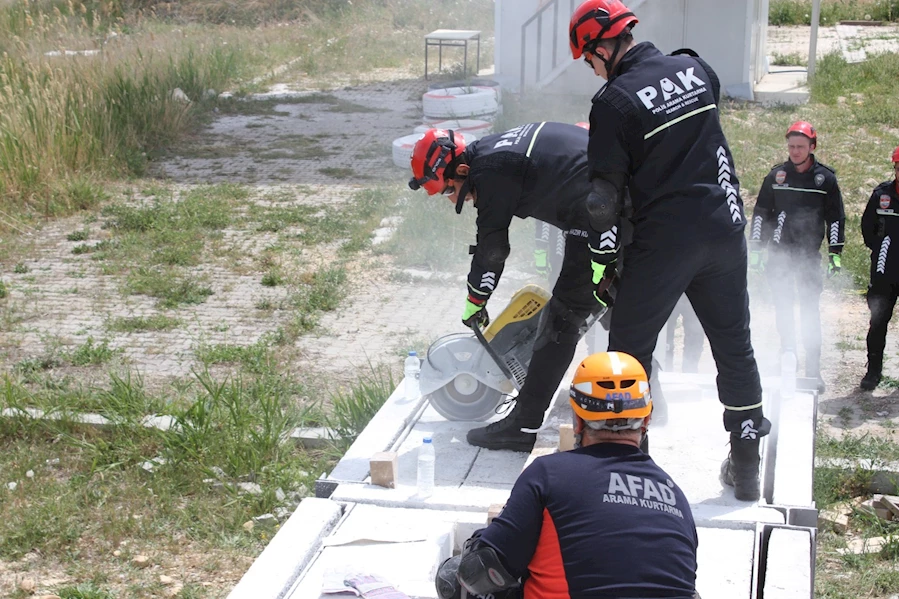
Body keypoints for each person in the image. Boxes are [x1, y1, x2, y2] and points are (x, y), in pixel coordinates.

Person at [568, 0, 769, 501]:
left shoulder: (612, 102)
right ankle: (746, 467)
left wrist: (600, 265)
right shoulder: (696, 67)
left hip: (665, 241)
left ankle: (627, 471)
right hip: (725, 227)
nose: (590, 70)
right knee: (734, 346)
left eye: (588, 59)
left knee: (627, 356)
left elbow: (602, 199)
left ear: (602, 45)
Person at [408, 124, 615, 452]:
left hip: (602, 214)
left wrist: (475, 300)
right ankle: (650, 396)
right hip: (614, 204)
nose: (451, 200)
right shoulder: (494, 149)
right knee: (613, 303)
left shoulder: (489, 172)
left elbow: (493, 250)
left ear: (462, 170)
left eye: (449, 190)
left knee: (562, 320)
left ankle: (522, 425)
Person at [435, 352, 699, 599]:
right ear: (646, 419)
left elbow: (481, 571)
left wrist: (480, 542)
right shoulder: (674, 494)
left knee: (459, 574)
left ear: (578, 420)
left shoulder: (549, 474)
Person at [749, 121, 845, 393]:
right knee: (783, 309)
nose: (795, 151)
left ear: (812, 147)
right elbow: (760, 213)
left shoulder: (825, 179)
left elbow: (836, 217)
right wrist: (757, 249)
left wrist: (835, 254)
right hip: (779, 256)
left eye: (801, 147)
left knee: (809, 312)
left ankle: (813, 371)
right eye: (791, 146)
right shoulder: (776, 176)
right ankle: (787, 360)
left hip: (808, 257)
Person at [859, 145, 899, 390]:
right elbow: (867, 226)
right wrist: (881, 248)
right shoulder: (881, 194)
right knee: (878, 321)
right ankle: (873, 372)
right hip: (885, 271)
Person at [665, 294, 704, 373]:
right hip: (668, 291)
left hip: (694, 291)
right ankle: (665, 370)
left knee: (695, 333)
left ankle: (690, 371)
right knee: (664, 336)